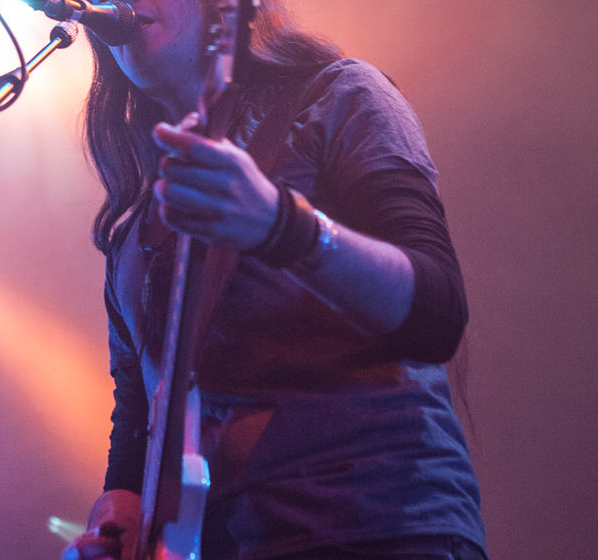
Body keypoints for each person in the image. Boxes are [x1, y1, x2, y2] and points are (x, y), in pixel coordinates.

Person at [64, 1, 487, 559]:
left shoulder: (340, 98)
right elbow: (140, 398)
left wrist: (280, 226)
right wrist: (122, 500)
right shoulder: (137, 218)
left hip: (376, 527)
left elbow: (437, 313)